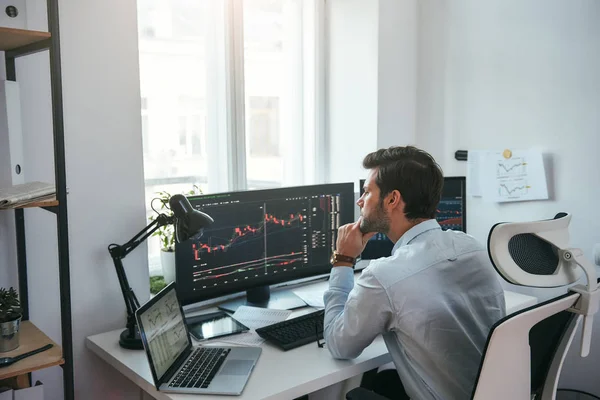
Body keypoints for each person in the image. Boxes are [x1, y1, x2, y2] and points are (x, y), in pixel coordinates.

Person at [323, 146, 506, 400]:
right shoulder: (471, 247)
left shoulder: (385, 277)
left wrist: (343, 260)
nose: (360, 201)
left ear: (392, 199)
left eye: (367, 192)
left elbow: (339, 345)